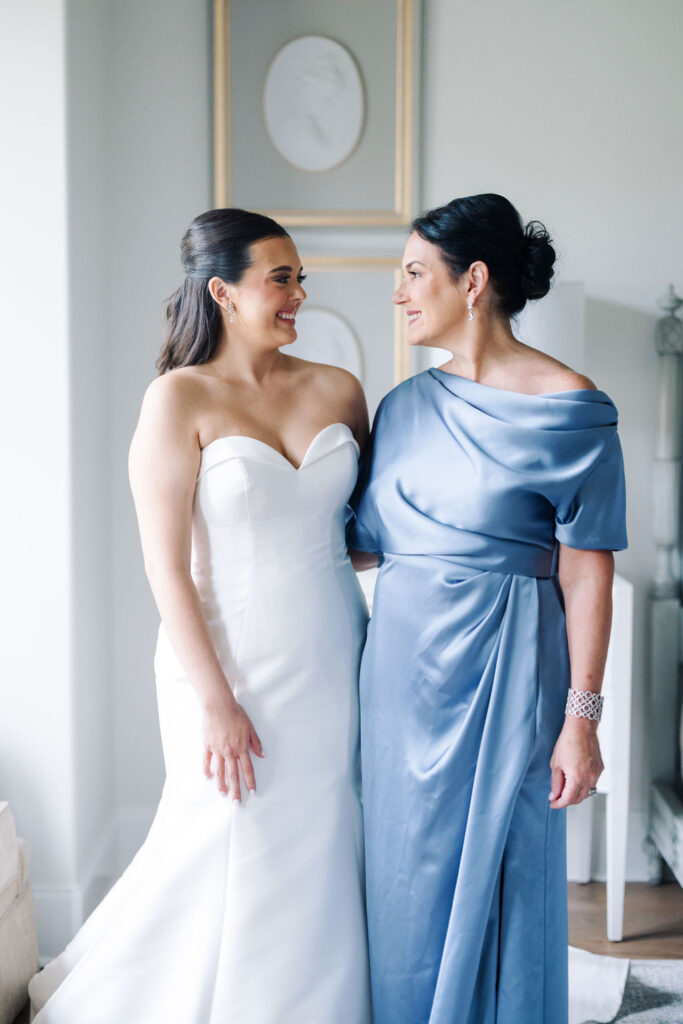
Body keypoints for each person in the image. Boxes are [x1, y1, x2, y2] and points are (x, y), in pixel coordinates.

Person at [29, 209, 372, 1023]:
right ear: (222, 290)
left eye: (299, 279)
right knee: (223, 831)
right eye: (278, 278)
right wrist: (216, 701)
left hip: (333, 652)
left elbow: (366, 532)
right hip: (222, 661)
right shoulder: (176, 399)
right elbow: (165, 567)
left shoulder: (338, 389)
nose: (296, 295)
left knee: (324, 830)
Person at [348, 194, 627, 1024]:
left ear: (470, 281)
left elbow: (586, 576)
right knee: (401, 878)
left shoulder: (572, 410)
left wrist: (581, 718)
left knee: (506, 876)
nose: (397, 294)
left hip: (508, 673)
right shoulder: (399, 408)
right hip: (396, 679)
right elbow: (363, 544)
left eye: (410, 274)